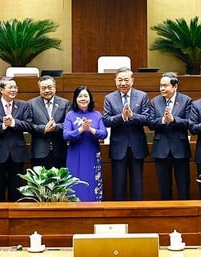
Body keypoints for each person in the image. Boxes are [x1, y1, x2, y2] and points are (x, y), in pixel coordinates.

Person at [102, 67, 151, 200]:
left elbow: (147, 118)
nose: (123, 83)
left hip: (137, 146)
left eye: (126, 80)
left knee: (137, 184)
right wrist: (122, 117)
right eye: (120, 80)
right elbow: (106, 120)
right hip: (118, 146)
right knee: (118, 185)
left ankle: (137, 214)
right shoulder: (109, 98)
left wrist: (132, 115)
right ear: (115, 81)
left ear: (132, 81)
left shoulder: (142, 96)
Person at [0, 76, 32, 201]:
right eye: (10, 87)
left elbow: (29, 125)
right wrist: (2, 125)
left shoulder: (23, 105)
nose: (14, 90)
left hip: (17, 154)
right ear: (1, 90)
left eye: (15, 87)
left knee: (16, 190)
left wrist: (13, 123)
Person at [149, 72, 193, 200]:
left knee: (183, 185)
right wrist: (163, 120)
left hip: (180, 148)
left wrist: (174, 120)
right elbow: (150, 123)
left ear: (175, 86)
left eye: (165, 85)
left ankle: (185, 212)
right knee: (164, 186)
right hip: (161, 149)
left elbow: (190, 123)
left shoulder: (186, 100)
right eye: (161, 85)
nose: (162, 88)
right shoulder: (155, 101)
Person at [63, 85, 107, 201]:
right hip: (75, 154)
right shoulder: (70, 115)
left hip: (92, 153)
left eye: (85, 96)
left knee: (92, 181)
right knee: (75, 182)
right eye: (80, 96)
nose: (83, 99)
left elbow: (104, 134)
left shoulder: (97, 114)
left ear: (90, 98)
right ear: (75, 99)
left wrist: (90, 129)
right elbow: (66, 135)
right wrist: (81, 129)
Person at [28, 75, 69, 170]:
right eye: (43, 88)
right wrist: (43, 129)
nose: (47, 91)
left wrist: (56, 127)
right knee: (39, 183)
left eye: (50, 87)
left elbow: (68, 124)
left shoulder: (65, 103)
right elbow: (28, 125)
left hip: (59, 151)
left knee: (59, 183)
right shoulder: (31, 104)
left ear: (55, 88)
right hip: (39, 152)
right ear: (39, 89)